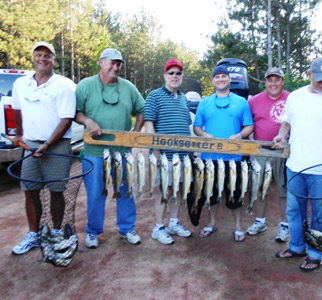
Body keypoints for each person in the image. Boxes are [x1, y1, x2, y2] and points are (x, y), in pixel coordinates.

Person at [273, 58, 322, 271]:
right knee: (294, 211)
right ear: (309, 74)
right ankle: (297, 246)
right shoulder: (296, 96)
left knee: (320, 214)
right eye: (319, 79)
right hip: (295, 166)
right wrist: (281, 135)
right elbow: (287, 120)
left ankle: (316, 253)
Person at [75, 48, 145, 248]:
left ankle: (127, 228)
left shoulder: (128, 87)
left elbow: (141, 110)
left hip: (122, 152)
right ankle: (93, 231)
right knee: (96, 193)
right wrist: (88, 121)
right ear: (101, 62)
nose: (116, 67)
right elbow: (76, 112)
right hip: (94, 152)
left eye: (119, 64)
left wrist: (135, 132)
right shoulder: (85, 86)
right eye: (112, 63)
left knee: (125, 191)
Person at [11, 41, 76, 254]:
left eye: (47, 56)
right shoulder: (21, 84)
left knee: (56, 191)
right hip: (30, 145)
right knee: (30, 191)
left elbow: (66, 120)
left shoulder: (63, 85)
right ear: (33, 57)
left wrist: (48, 144)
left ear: (54, 60)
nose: (42, 59)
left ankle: (56, 233)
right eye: (39, 54)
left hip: (57, 146)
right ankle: (34, 235)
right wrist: (19, 134)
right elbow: (18, 110)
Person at [194, 65, 254, 242]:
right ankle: (211, 223)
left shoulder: (241, 102)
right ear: (213, 81)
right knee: (211, 194)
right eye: (217, 77)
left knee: (235, 195)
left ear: (230, 80)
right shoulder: (204, 103)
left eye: (224, 76)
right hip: (209, 159)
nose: (220, 79)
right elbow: (197, 126)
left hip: (235, 159)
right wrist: (204, 135)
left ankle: (238, 227)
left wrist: (239, 135)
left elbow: (249, 126)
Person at [144, 59, 193, 245]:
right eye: (171, 73)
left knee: (179, 189)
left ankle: (173, 222)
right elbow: (149, 126)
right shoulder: (154, 96)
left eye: (178, 73)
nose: (175, 76)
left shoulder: (183, 98)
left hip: (182, 156)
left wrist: (189, 152)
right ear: (165, 75)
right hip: (164, 156)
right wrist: (156, 153)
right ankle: (158, 227)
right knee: (164, 190)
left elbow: (186, 127)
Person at [246, 67, 291, 243]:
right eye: (270, 80)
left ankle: (284, 225)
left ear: (282, 81)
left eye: (277, 79)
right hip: (260, 151)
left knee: (283, 190)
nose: (273, 83)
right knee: (258, 188)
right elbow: (247, 124)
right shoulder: (254, 101)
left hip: (284, 151)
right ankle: (260, 221)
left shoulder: (292, 99)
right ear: (265, 82)